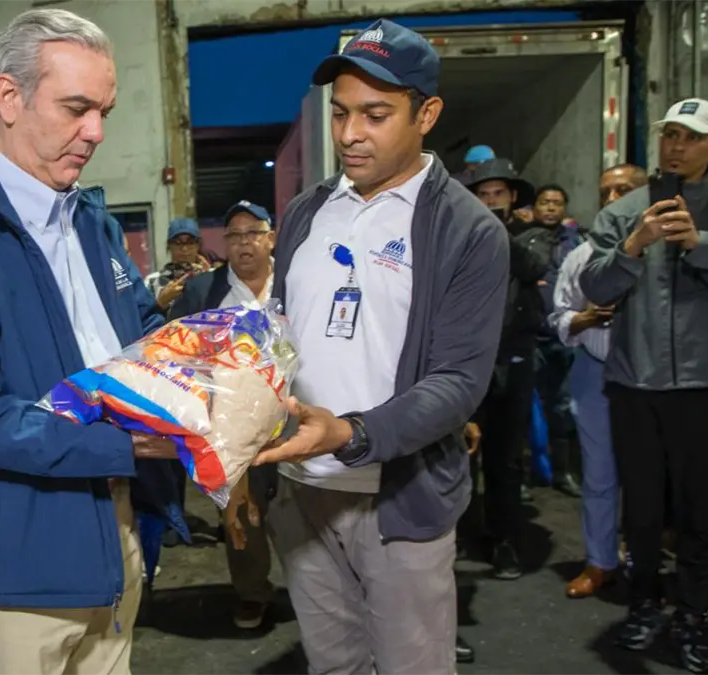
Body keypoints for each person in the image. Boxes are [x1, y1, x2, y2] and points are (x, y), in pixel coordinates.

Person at [0, 9, 186, 675]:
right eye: (76, 108)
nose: (96, 133)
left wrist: (218, 373)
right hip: (19, 563)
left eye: (104, 110)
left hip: (118, 530)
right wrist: (128, 442)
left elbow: (138, 342)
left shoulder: (91, 223)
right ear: (9, 96)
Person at [244, 19, 509, 675]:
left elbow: (458, 382)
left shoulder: (467, 230)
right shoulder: (306, 210)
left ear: (428, 113)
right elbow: (282, 339)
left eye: (375, 114)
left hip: (397, 503)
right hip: (302, 495)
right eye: (339, 114)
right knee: (332, 665)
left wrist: (348, 432)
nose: (349, 135)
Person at [581, 97, 708, 673]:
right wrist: (634, 245)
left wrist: (704, 246)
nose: (676, 145)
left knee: (701, 509)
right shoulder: (626, 211)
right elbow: (595, 287)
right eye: (670, 134)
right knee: (641, 507)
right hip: (634, 385)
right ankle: (643, 604)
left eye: (691, 137)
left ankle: (692, 613)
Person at [169, 199, 276, 630]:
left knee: (304, 510)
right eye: (233, 235)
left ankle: (320, 592)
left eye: (253, 232)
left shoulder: (297, 282)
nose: (243, 242)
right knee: (240, 514)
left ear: (271, 238)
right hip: (231, 423)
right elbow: (175, 352)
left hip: (296, 416)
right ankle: (252, 592)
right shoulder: (202, 291)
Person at [552, 165, 647, 600]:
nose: (613, 200)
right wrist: (584, 318)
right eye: (606, 191)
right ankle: (600, 560)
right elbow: (560, 316)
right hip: (594, 371)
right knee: (600, 474)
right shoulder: (581, 256)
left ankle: (648, 564)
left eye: (625, 191)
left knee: (654, 476)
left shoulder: (668, 254)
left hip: (652, 379)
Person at [467, 158, 555, 580]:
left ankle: (506, 541)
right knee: (460, 457)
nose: (490, 201)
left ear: (512, 197)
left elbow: (533, 267)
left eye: (497, 194)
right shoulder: (461, 241)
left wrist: (498, 230)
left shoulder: (533, 235)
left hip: (514, 361)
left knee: (504, 459)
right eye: (482, 195)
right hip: (469, 365)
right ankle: (466, 533)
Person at [530, 183, 583, 497]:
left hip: (565, 337)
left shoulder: (576, 243)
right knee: (526, 408)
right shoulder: (522, 238)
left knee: (563, 405)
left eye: (557, 203)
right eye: (545, 202)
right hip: (531, 338)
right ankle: (530, 472)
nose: (550, 208)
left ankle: (562, 472)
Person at [144, 216, 211, 311]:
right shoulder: (153, 281)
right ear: (169, 245)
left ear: (198, 245)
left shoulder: (214, 276)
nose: (184, 249)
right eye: (177, 242)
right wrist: (161, 302)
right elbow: (144, 320)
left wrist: (208, 278)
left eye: (190, 242)